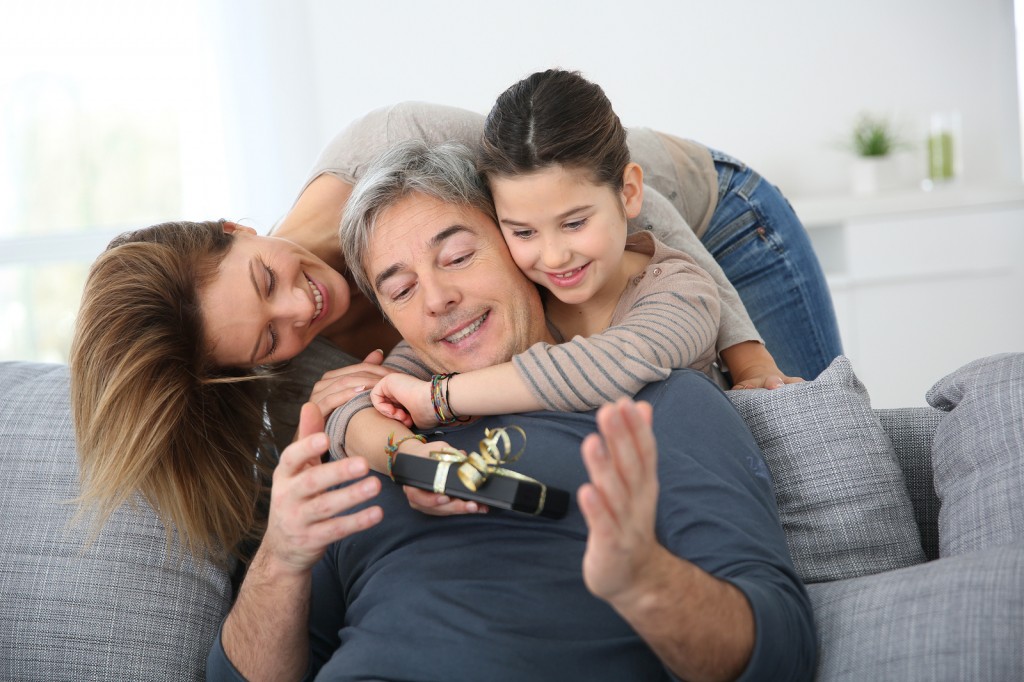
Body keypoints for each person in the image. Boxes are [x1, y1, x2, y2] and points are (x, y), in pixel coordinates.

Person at [70, 94, 838, 561]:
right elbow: (346, 414)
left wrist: (748, 359)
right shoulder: (293, 365)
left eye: (266, 281)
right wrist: (404, 454)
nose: (301, 312)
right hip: (611, 309)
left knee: (797, 437)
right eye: (269, 339)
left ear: (236, 225)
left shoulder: (391, 141)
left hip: (707, 222)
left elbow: (632, 216)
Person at [207, 140, 817, 681]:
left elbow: (780, 651)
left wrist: (646, 582)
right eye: (401, 289)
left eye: (457, 257)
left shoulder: (661, 401)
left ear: (519, 247)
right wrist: (280, 557)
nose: (439, 299)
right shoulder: (373, 445)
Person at [368, 70, 729, 434]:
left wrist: (439, 399)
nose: (554, 257)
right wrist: (359, 410)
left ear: (630, 192)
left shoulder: (683, 294)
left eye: (574, 224)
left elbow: (605, 366)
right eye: (524, 232)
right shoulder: (522, 293)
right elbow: (377, 390)